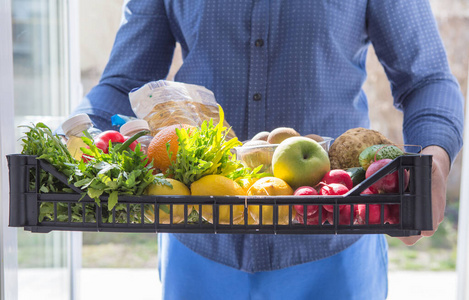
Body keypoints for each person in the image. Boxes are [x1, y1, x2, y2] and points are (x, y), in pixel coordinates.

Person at [67, 1, 464, 299]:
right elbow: (122, 84)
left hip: (333, 246)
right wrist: (71, 134)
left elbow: (426, 79)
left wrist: (436, 161)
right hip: (199, 245)